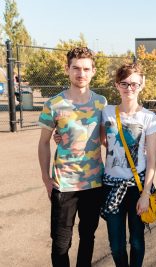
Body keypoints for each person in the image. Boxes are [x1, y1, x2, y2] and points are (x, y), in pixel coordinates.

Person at [38, 47, 107, 267]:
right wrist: (45, 179)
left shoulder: (101, 103)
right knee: (60, 243)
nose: (81, 73)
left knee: (88, 237)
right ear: (67, 69)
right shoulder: (54, 104)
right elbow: (43, 143)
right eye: (76, 68)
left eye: (86, 68)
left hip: (94, 183)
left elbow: (106, 139)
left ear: (93, 71)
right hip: (63, 184)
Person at [101, 63, 156, 266]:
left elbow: (152, 158)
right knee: (116, 244)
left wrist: (145, 195)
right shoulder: (106, 112)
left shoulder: (149, 118)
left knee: (136, 240)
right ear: (117, 85)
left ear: (141, 85)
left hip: (137, 186)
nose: (129, 88)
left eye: (134, 84)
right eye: (124, 83)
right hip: (111, 186)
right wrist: (59, 136)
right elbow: (99, 140)